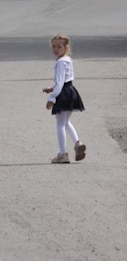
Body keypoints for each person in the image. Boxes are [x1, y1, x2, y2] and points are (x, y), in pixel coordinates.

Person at [42, 34, 86, 164]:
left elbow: (60, 82)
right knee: (67, 122)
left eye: (59, 46)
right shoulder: (67, 59)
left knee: (60, 124)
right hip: (70, 91)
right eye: (54, 46)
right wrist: (52, 88)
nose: (55, 49)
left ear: (66, 47)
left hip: (62, 94)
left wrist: (52, 97)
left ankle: (63, 154)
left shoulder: (60, 62)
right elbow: (65, 80)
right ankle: (77, 143)